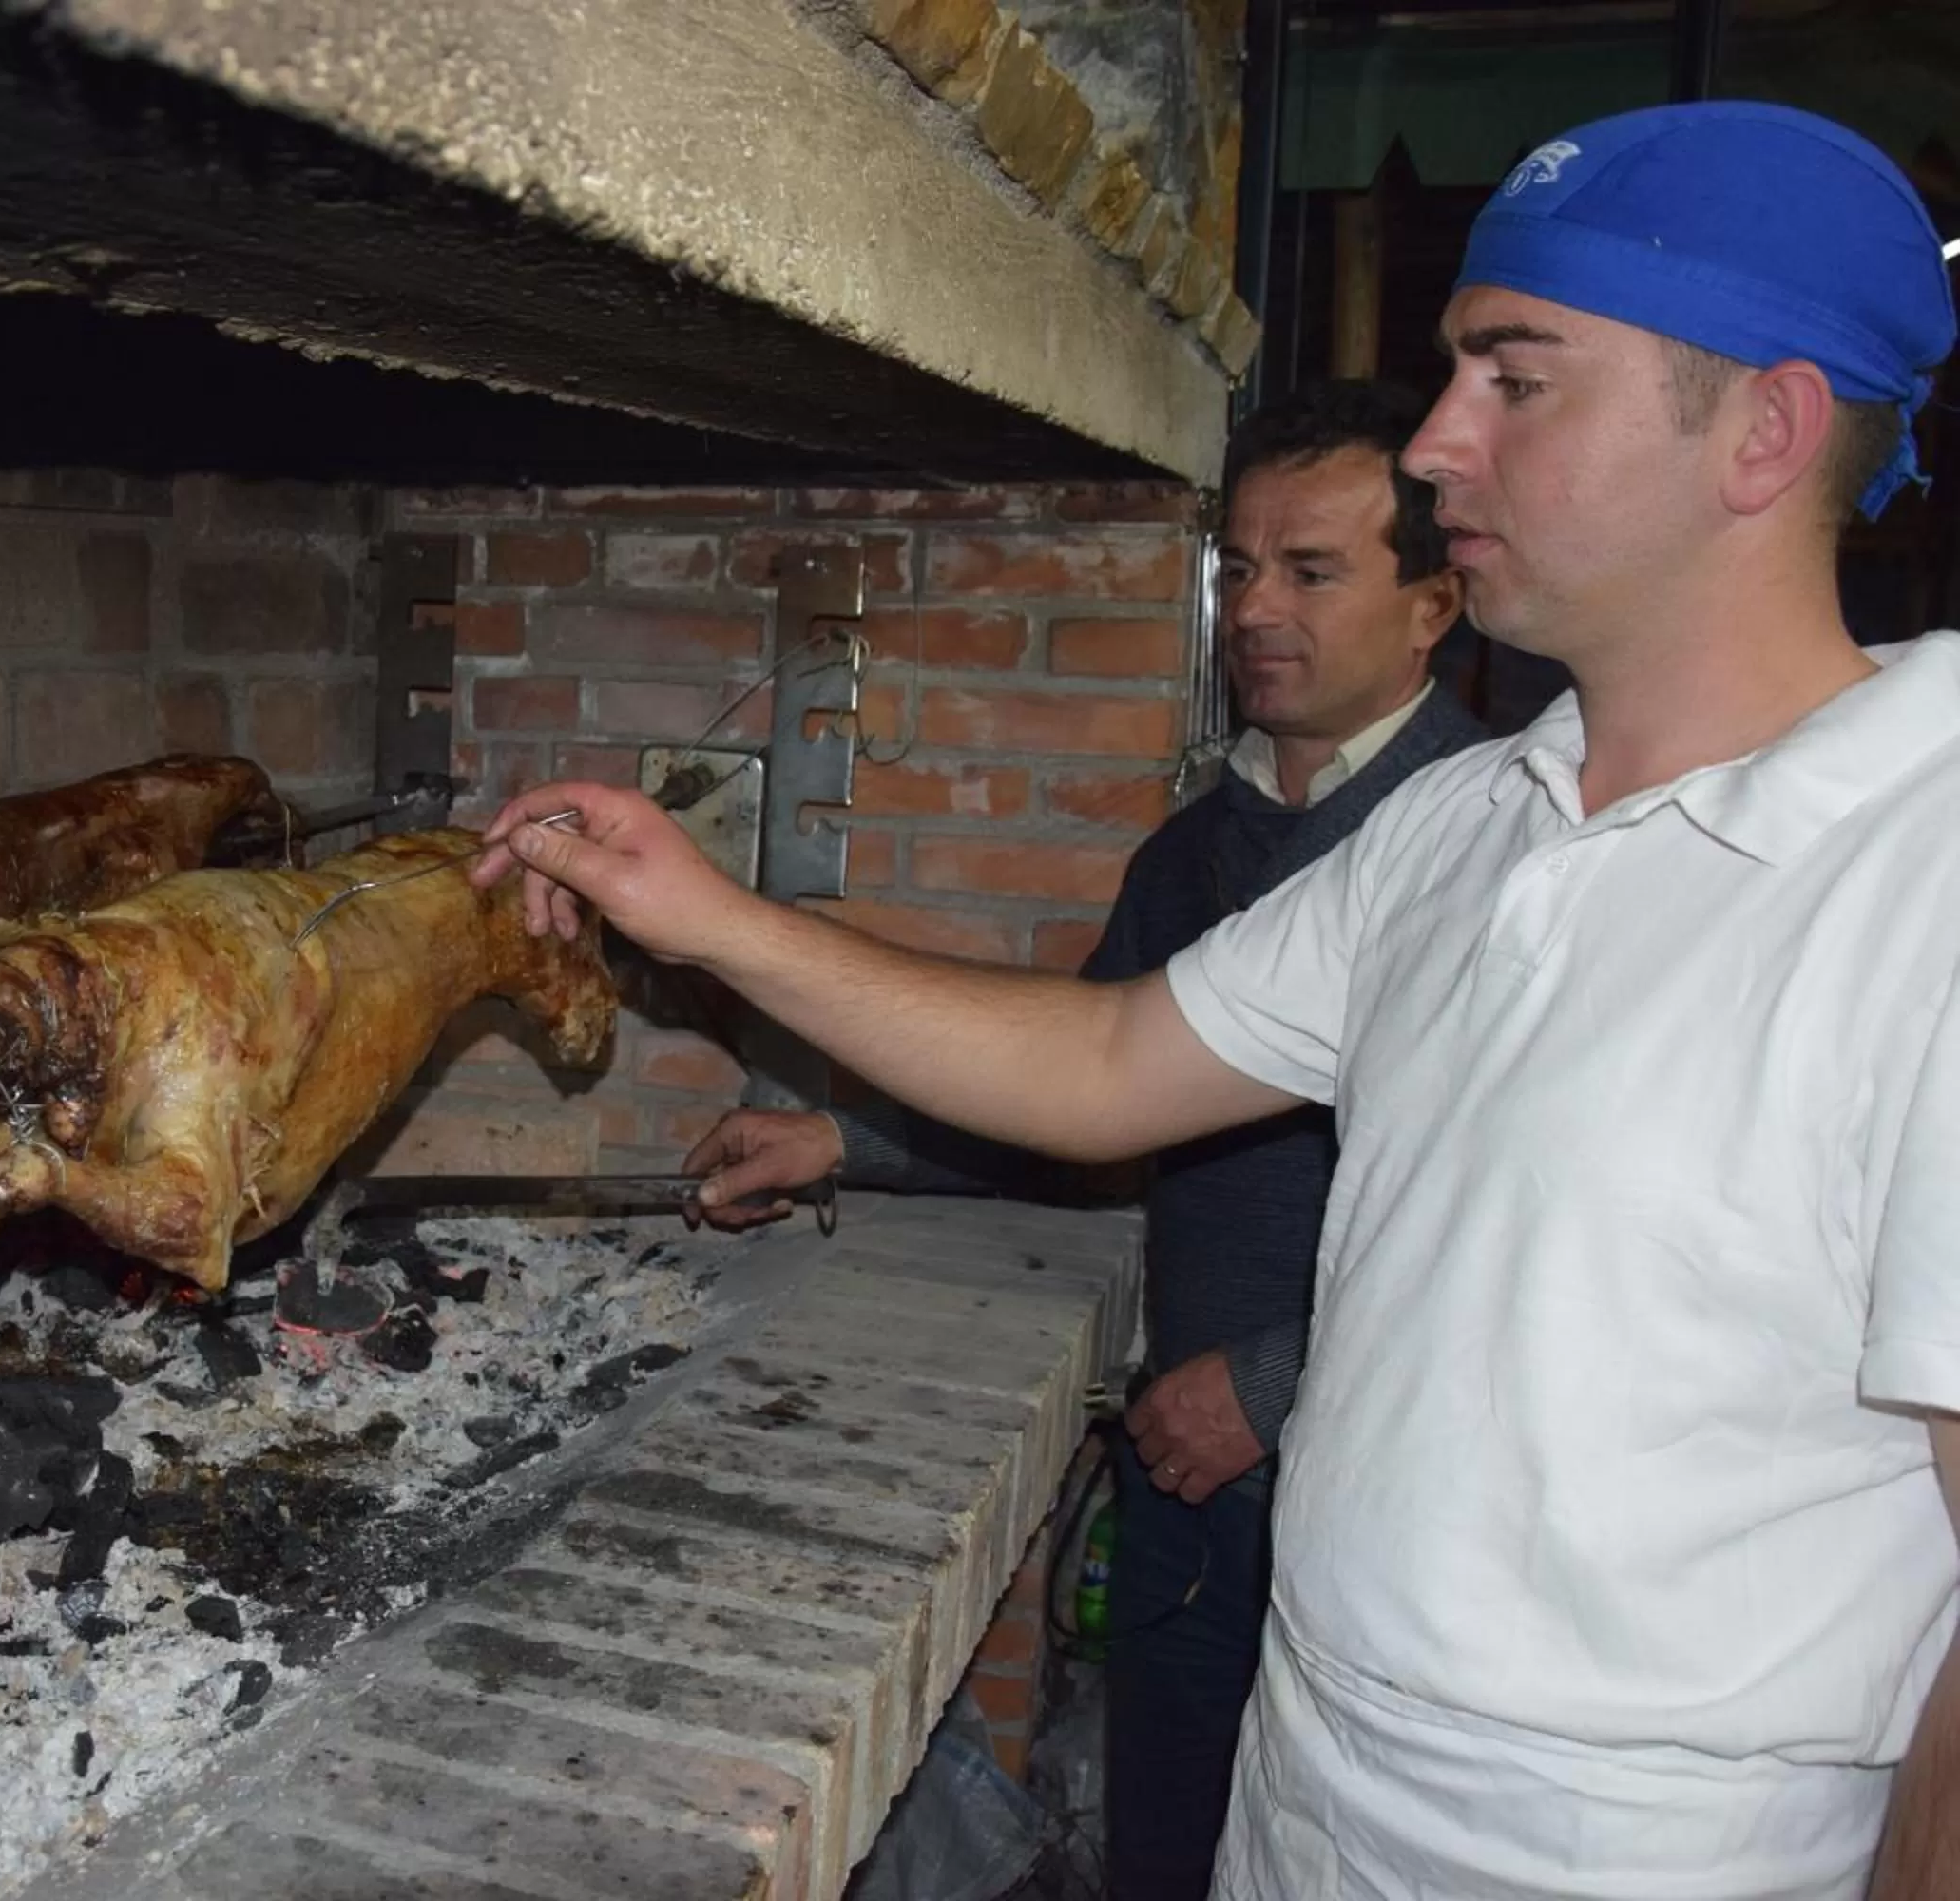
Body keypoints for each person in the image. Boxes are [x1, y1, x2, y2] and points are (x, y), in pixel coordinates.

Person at [471, 101, 1960, 1899]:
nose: (1437, 443)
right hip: (1318, 1771)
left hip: (1649, 1852)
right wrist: (707, 916)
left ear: (1766, 432)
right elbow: (1106, 1063)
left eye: (1517, 377)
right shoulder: (1475, 822)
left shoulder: (1922, 867)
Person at [685, 378, 1479, 1899]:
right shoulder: (1199, 847)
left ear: (1435, 603)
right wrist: (842, 1146)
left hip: (1373, 1497)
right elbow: (1089, 1087)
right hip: (1197, 1485)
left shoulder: (1479, 841)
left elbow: (1522, 1221)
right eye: (1240, 568)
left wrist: (1267, 1383)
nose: (1257, 608)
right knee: (1171, 1848)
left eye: (1313, 571)